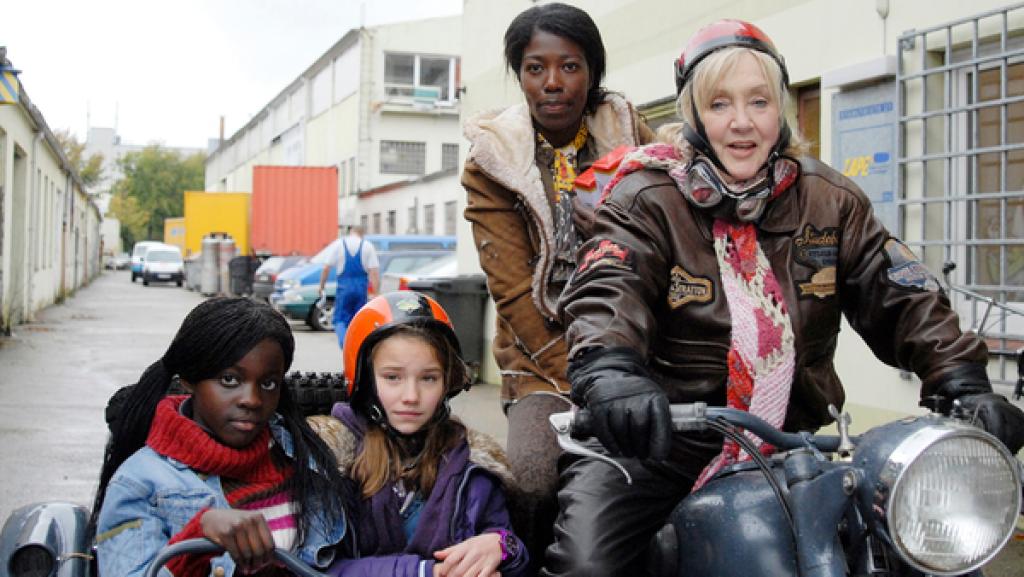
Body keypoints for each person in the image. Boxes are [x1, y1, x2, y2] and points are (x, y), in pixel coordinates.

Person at [549, 19, 1024, 576]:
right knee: (586, 564)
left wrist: (961, 381)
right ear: (695, 118)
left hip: (792, 442)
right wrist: (612, 374)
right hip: (658, 442)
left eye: (759, 101)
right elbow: (609, 290)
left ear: (782, 109)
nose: (743, 122)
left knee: (912, 550)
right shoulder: (645, 199)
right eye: (721, 104)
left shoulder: (831, 201)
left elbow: (900, 292)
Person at [461, 3, 653, 567]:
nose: (552, 83)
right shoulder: (492, 160)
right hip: (540, 357)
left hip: (633, 345)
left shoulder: (627, 133)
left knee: (653, 469)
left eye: (569, 66)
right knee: (534, 477)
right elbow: (515, 292)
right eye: (534, 67)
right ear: (518, 74)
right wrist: (585, 376)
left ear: (592, 71)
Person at [91, 297, 352, 577]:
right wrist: (199, 537)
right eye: (229, 380)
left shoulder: (303, 457)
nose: (251, 400)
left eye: (268, 383)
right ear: (189, 378)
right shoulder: (139, 483)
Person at [308, 291, 528, 577]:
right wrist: (424, 572)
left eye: (428, 378)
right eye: (393, 377)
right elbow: (316, 566)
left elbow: (512, 556)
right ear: (363, 380)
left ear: (447, 382)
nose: (411, 396)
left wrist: (504, 546)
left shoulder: (475, 467)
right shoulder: (330, 464)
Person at [319, 224, 380, 348]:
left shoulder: (339, 244)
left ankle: (345, 346)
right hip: (361, 288)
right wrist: (376, 293)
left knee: (340, 319)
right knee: (358, 319)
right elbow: (374, 271)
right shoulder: (367, 246)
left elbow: (326, 268)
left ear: (351, 231)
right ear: (362, 233)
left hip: (344, 287)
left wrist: (321, 286)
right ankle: (357, 347)